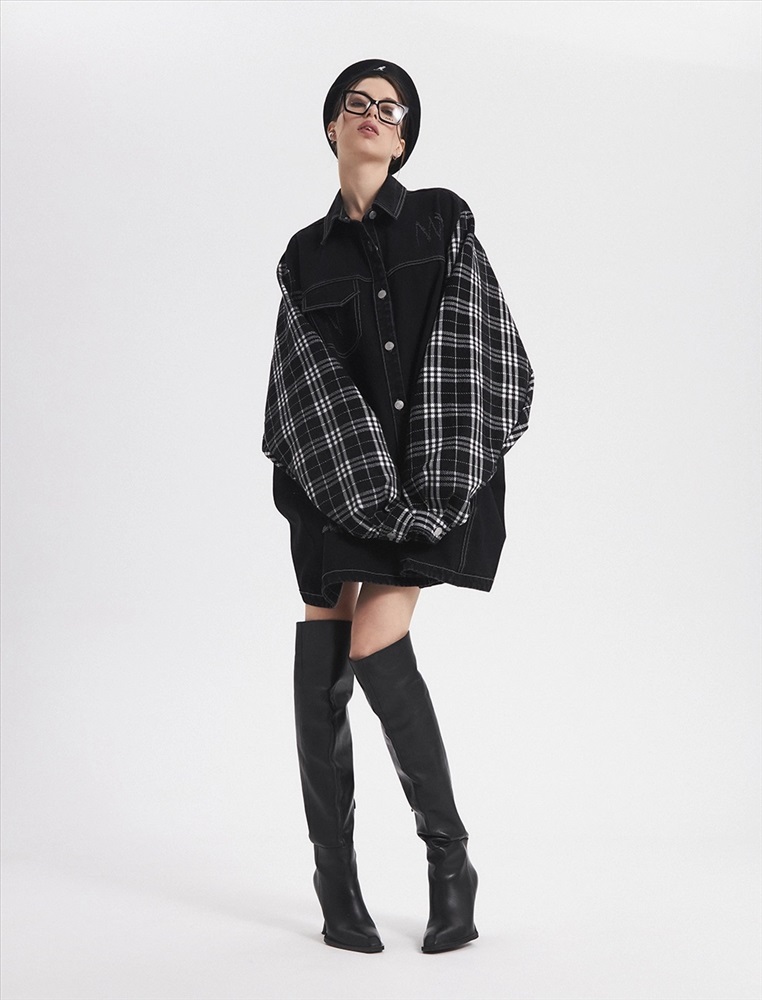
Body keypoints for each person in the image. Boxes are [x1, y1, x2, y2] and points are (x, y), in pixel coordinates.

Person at [261, 59, 534, 954]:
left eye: (391, 108)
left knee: (375, 642)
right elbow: (300, 384)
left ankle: (449, 862)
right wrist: (348, 473)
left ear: (405, 136)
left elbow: (480, 344)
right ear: (333, 127)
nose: (374, 116)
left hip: (424, 478)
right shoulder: (304, 255)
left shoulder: (441, 218)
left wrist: (433, 474)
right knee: (322, 639)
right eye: (358, 105)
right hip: (336, 475)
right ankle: (335, 880)